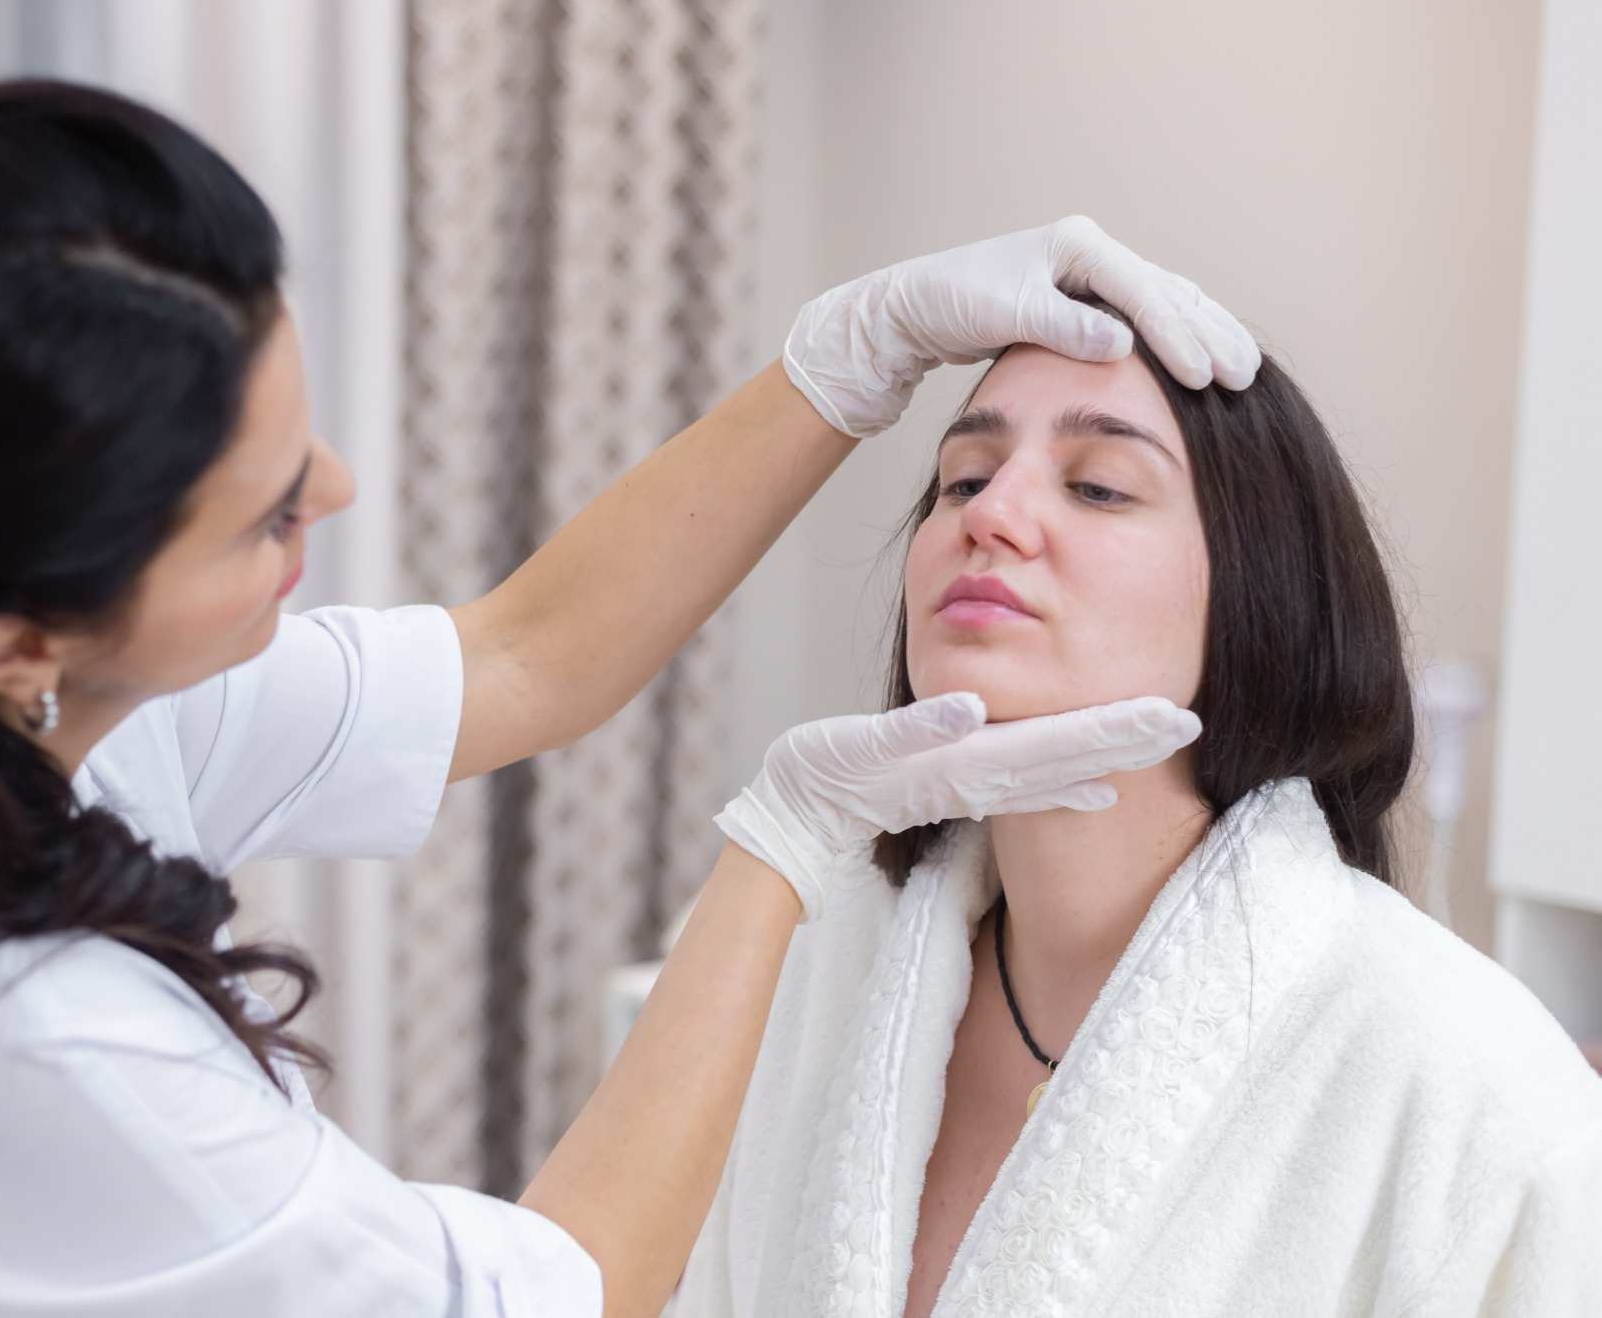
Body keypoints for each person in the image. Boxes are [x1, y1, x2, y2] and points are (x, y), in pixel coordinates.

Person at [0, 81, 1251, 1318]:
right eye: (267, 508)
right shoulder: (4, 1050)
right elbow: (563, 1299)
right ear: (18, 637)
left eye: (1099, 489)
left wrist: (845, 357)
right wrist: (782, 842)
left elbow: (524, 654)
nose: (342, 494)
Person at [675, 303, 1602, 1317]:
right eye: (962, 480)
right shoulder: (803, 961)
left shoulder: (1470, 1087)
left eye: (1097, 486)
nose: (987, 514)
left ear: (1262, 594)